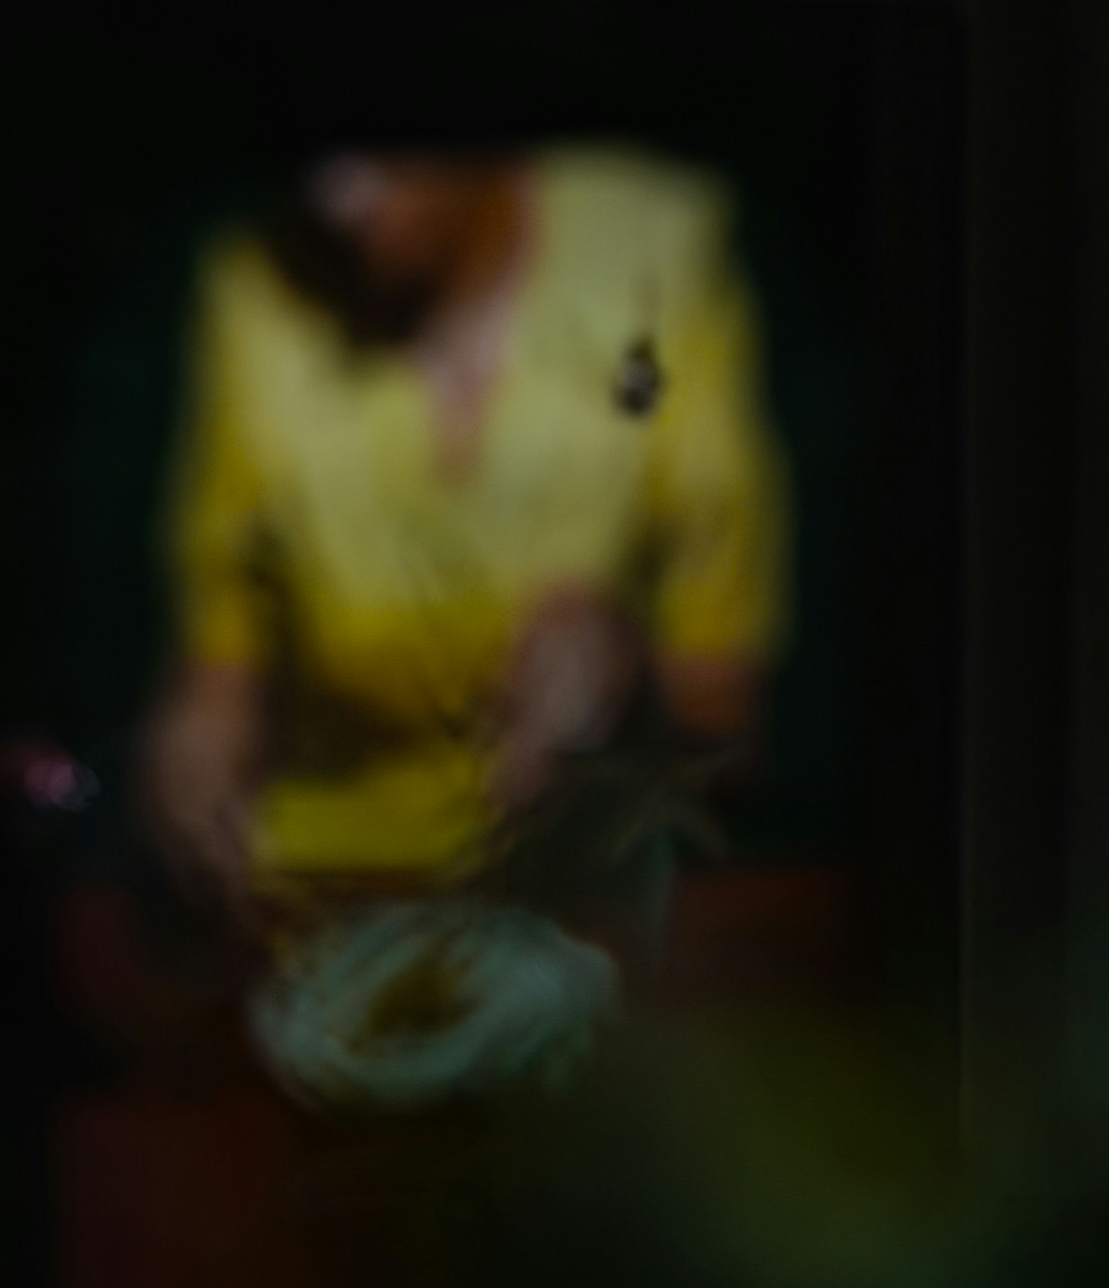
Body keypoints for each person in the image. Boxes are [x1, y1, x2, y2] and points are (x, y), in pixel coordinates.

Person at [138, 146, 783, 915]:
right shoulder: (256, 277)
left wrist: (626, 681)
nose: (337, 202)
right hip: (326, 894)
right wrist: (197, 736)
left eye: (375, 155)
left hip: (590, 900)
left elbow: (730, 717)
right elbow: (221, 659)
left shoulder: (658, 253)